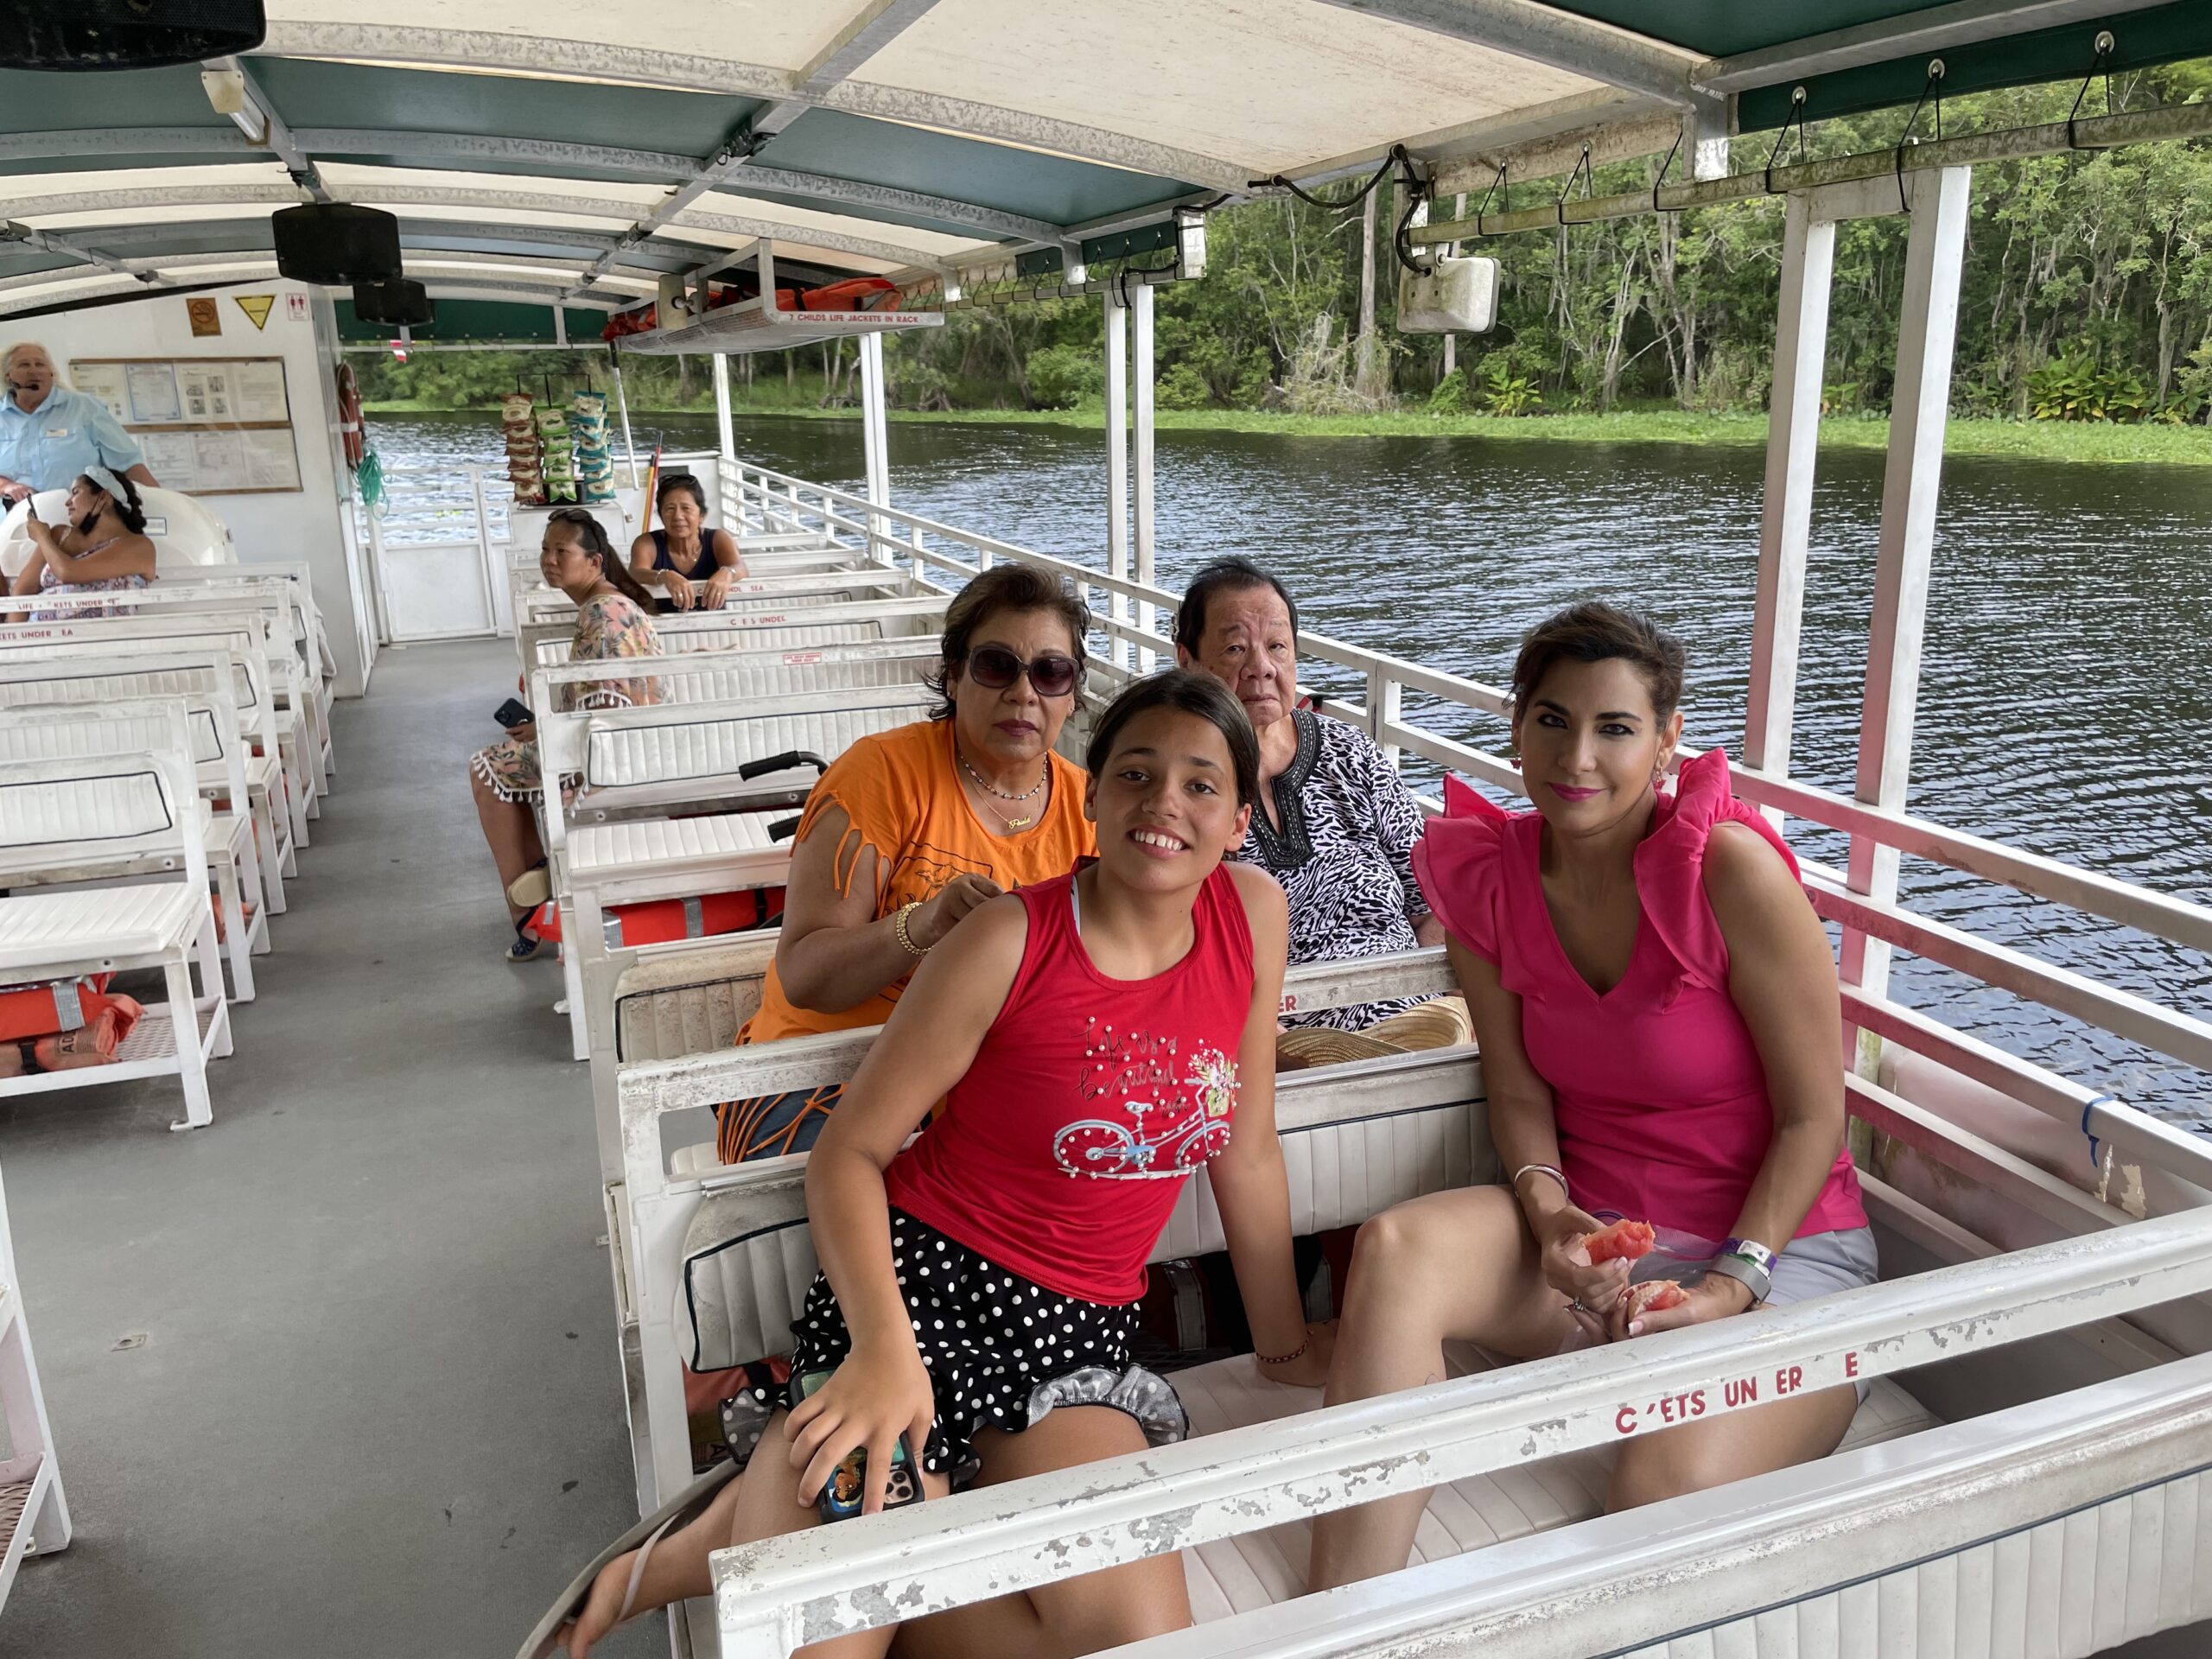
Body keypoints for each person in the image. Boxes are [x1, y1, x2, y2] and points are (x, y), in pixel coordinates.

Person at [551, 671, 1332, 1658]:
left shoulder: (1252, 916)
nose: (1164, 804)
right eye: (1134, 773)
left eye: (1200, 784)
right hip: (920, 1293)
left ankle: (732, 1534)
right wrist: (884, 1352)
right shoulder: (1010, 937)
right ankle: (754, 1528)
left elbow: (1247, 1146)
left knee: (1127, 1640)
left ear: (1237, 818)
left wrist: (1284, 1345)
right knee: (834, 1637)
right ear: (1087, 793)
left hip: (1074, 1334)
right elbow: (850, 1155)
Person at [1304, 601, 1872, 1591]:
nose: (1578, 757)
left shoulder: (1727, 869)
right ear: (1516, 727)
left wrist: (1728, 1287)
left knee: (1658, 1490)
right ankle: (1342, 1612)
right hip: (1603, 1248)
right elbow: (1517, 1089)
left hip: (1780, 1251)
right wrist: (1550, 1214)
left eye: (1615, 728)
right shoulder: (1487, 876)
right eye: (1553, 720)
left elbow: (1812, 1117)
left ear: (1665, 742)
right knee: (1395, 1249)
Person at [713, 562, 1096, 1163]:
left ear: (1072, 697)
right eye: (997, 665)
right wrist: (924, 925)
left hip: (996, 1082)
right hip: (833, 1072)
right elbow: (806, 975)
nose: (1024, 691)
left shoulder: (1092, 806)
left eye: (1051, 672)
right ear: (952, 676)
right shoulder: (881, 776)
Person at [1173, 557, 1461, 1066]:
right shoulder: (1178, 784)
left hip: (1418, 1021)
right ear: (1188, 661)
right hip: (1277, 1042)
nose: (1261, 666)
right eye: (1235, 647)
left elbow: (1431, 897)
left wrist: (1422, 992)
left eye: (1277, 647)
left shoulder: (1351, 753)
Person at [470, 507, 661, 963]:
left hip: (617, 759)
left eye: (562, 551)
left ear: (594, 563)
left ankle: (528, 914)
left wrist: (544, 732)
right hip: (627, 744)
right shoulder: (607, 604)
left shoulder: (602, 615)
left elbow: (607, 716)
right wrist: (543, 727)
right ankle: (536, 894)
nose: (549, 560)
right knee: (504, 761)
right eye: (545, 550)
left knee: (486, 769)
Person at [0, 343, 158, 504]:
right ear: (8, 375)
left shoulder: (85, 408)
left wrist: (165, 506)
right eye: (24, 364)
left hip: (78, 520)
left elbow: (129, 464)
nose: (34, 370)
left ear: (51, 374)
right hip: (13, 522)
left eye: (40, 364)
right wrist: (6, 486)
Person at [9, 467, 156, 620]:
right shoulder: (59, 535)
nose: (67, 502)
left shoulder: (140, 547)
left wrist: (42, 537)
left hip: (95, 641)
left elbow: (68, 572)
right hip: (39, 639)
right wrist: (17, 639)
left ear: (103, 497)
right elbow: (22, 591)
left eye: (75, 492)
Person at [627, 473, 747, 612]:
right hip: (663, 626)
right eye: (670, 509)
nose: (678, 516)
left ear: (702, 515)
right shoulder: (647, 542)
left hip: (713, 626)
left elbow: (741, 568)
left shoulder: (718, 538)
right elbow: (635, 573)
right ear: (661, 515)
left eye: (686, 508)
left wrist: (727, 572)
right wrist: (664, 576)